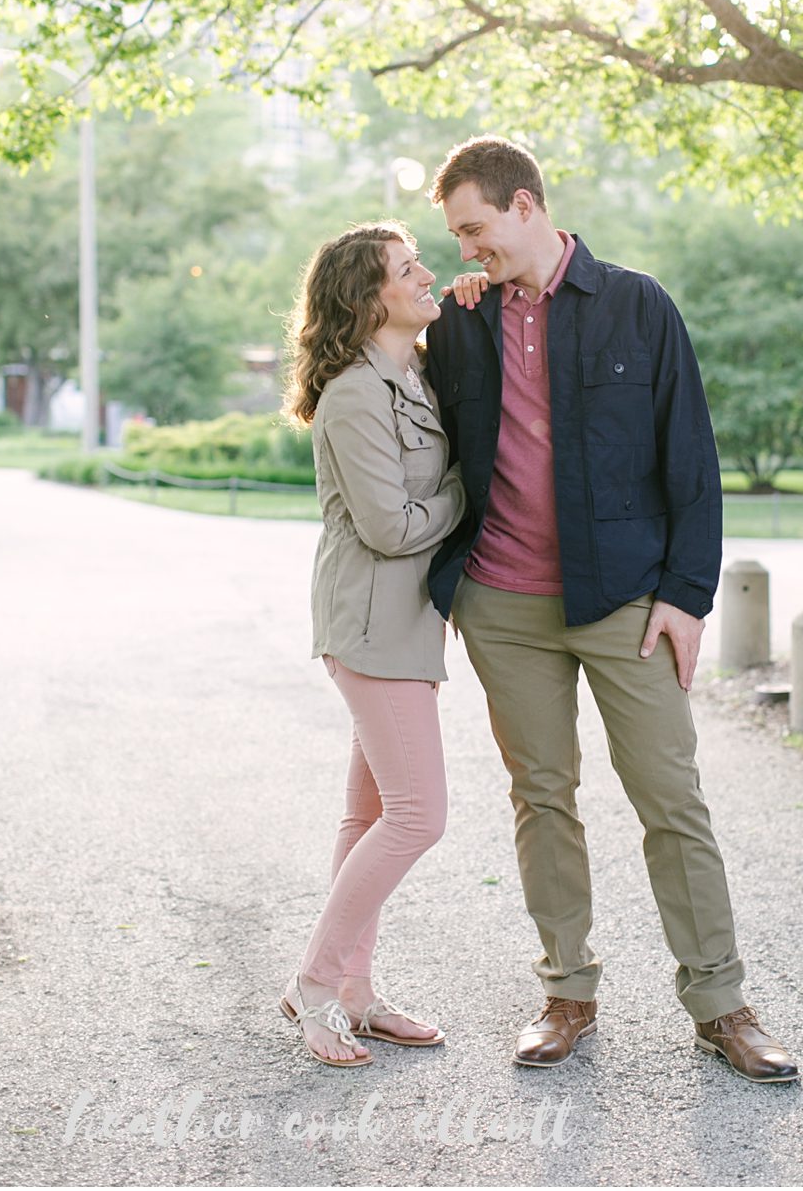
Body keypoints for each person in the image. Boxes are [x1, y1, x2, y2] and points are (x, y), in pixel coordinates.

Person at [420, 135, 797, 1082]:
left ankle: (720, 1003)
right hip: (502, 603)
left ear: (525, 207)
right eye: (456, 236)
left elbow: (693, 464)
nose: (468, 249)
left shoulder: (639, 306)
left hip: (626, 602)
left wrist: (686, 597)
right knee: (541, 797)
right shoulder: (460, 324)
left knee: (672, 798)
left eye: (475, 229)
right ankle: (567, 992)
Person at [279, 221, 464, 1067]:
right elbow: (392, 526)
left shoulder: (410, 375)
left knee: (368, 816)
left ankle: (355, 991)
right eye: (407, 268)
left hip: (403, 625)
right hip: (369, 625)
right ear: (367, 298)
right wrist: (470, 491)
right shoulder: (356, 392)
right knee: (419, 814)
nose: (427, 273)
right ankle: (314, 986)